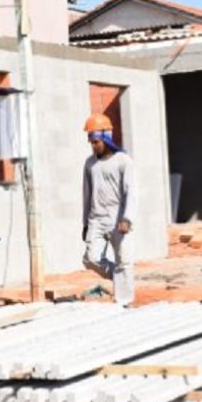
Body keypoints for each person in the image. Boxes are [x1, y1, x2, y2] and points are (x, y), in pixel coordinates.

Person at [81, 112, 137, 306]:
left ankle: (124, 302)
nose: (93, 145)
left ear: (106, 137)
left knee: (124, 260)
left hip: (118, 219)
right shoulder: (89, 164)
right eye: (91, 142)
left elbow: (131, 191)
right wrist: (85, 223)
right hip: (96, 219)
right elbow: (86, 195)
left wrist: (127, 218)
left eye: (96, 141)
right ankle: (121, 280)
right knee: (90, 259)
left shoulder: (123, 161)